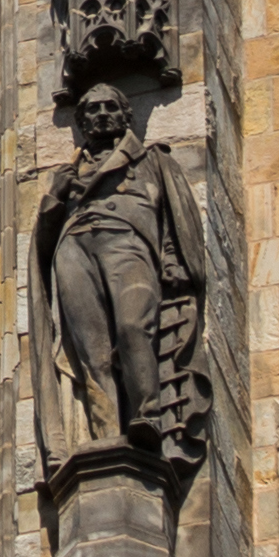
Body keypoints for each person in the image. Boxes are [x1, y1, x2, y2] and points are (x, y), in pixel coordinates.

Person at [34, 71, 214, 474]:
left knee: (135, 327)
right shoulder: (68, 174)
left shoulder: (152, 160)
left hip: (127, 243)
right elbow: (44, 240)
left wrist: (173, 261)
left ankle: (148, 416)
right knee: (91, 351)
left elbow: (176, 217)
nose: (101, 115)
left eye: (110, 107)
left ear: (125, 116)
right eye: (92, 110)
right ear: (81, 122)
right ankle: (106, 435)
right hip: (75, 249)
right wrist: (54, 196)